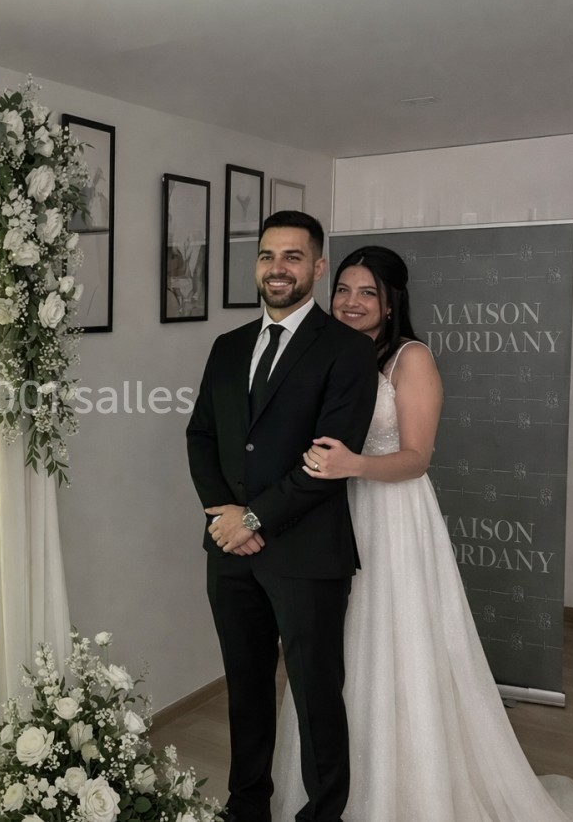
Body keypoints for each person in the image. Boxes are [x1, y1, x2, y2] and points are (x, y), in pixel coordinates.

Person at [270, 245, 573, 822]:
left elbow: (417, 457)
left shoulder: (410, 359)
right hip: (329, 514)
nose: (351, 302)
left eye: (367, 292)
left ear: (393, 301)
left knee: (391, 645)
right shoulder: (325, 351)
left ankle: (403, 792)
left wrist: (355, 466)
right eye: (343, 289)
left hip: (389, 515)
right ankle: (325, 792)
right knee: (328, 650)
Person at [186, 211, 380, 822]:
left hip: (306, 553)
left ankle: (324, 813)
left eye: (293, 257)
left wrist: (255, 519)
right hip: (231, 551)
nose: (278, 268)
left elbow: (327, 459)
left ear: (318, 268)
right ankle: (247, 807)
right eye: (268, 255)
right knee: (245, 692)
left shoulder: (347, 350)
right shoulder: (228, 346)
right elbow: (202, 437)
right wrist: (225, 517)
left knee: (317, 697)